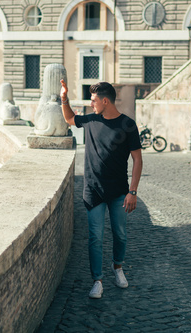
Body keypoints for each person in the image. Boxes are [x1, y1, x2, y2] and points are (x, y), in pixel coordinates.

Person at [60, 79, 143, 299]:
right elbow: (69, 118)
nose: (91, 104)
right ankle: (97, 280)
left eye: (94, 100)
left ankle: (118, 268)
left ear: (105, 101)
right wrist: (64, 97)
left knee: (120, 234)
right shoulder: (90, 120)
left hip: (118, 191)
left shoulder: (128, 125)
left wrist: (132, 191)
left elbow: (137, 159)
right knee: (95, 237)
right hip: (93, 189)